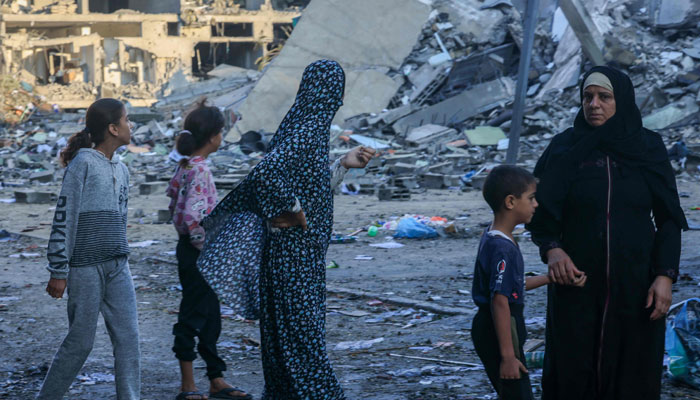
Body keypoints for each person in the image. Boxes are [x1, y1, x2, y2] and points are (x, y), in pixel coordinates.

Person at [201, 59, 374, 399]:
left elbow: (306, 185)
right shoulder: (309, 131)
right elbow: (267, 173)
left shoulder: (299, 125)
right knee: (303, 345)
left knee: (283, 346)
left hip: (287, 258)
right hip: (296, 261)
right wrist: (294, 212)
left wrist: (341, 164)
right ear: (333, 95)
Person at [527, 66, 688, 400]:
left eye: (604, 96)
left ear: (623, 100)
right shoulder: (564, 148)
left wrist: (664, 276)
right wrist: (553, 250)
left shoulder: (647, 148)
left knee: (633, 372)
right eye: (587, 96)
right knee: (572, 371)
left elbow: (669, 218)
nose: (594, 104)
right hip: (576, 282)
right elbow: (538, 212)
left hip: (636, 283)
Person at [38, 98, 139, 400]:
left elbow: (120, 219)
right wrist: (59, 270)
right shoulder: (82, 164)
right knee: (81, 342)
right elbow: (64, 218)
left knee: (128, 339)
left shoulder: (123, 171)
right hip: (84, 268)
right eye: (126, 120)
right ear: (112, 128)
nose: (130, 125)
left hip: (118, 266)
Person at [471, 165, 585, 400]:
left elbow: (511, 286)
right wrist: (508, 357)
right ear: (511, 202)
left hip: (493, 326)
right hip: (500, 329)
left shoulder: (493, 235)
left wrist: (551, 279)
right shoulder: (503, 248)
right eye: (531, 198)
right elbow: (500, 301)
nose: (536, 204)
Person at [166, 101, 252, 400]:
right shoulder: (199, 170)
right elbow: (193, 219)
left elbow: (173, 204)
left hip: (191, 251)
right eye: (221, 132)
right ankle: (188, 385)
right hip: (199, 253)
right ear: (214, 136)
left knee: (211, 315)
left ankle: (216, 379)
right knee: (193, 314)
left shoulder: (186, 165)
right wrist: (213, 247)